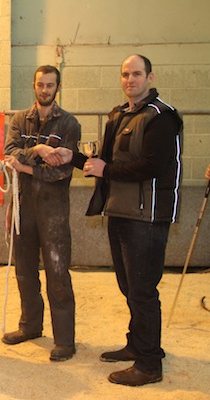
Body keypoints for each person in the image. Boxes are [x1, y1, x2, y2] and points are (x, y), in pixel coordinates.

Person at [49, 54, 183, 386]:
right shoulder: (118, 115)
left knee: (142, 290)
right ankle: (138, 344)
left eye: (136, 74)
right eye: (125, 74)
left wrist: (105, 169)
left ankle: (150, 364)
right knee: (129, 286)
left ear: (150, 77)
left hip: (147, 217)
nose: (130, 80)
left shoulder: (162, 117)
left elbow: (151, 166)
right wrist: (75, 158)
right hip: (120, 211)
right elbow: (103, 162)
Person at [2, 65, 81, 362]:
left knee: (58, 273)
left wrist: (25, 167)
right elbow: (9, 152)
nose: (45, 90)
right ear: (33, 86)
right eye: (40, 84)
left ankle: (64, 340)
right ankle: (30, 326)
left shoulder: (70, 125)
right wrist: (38, 151)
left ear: (58, 87)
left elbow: (61, 172)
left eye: (50, 85)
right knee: (24, 270)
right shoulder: (20, 119)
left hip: (53, 209)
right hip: (23, 205)